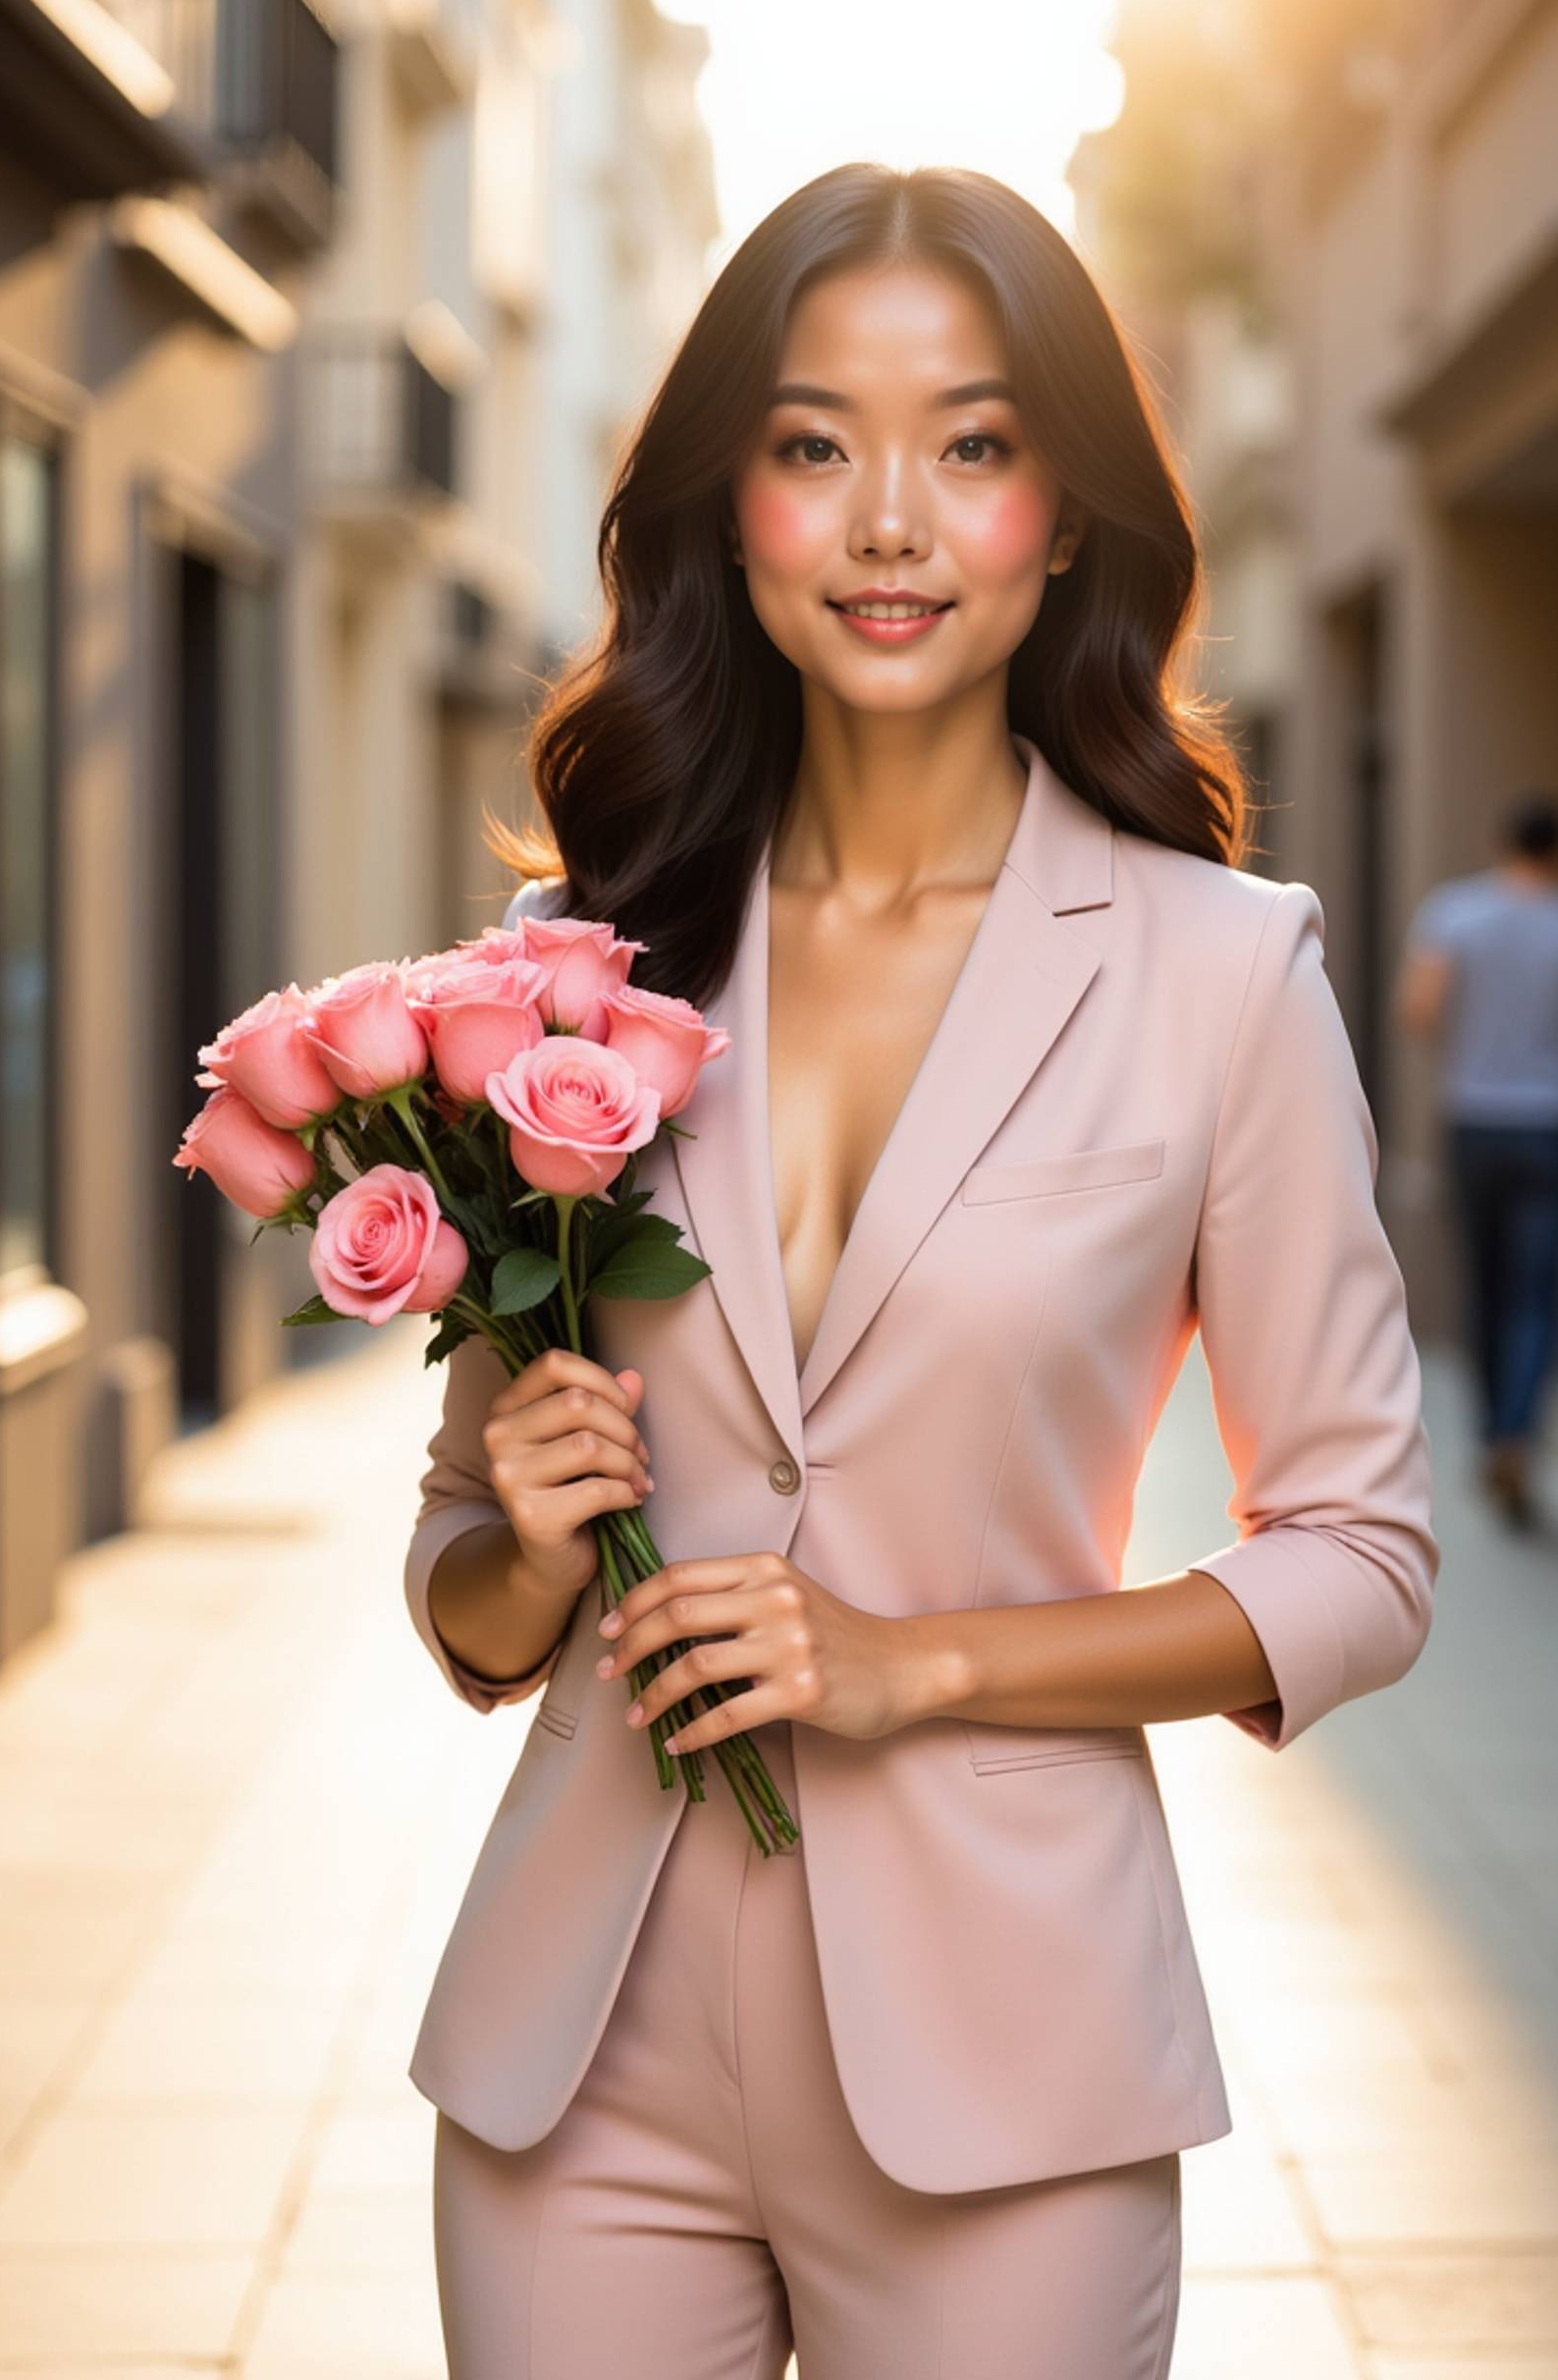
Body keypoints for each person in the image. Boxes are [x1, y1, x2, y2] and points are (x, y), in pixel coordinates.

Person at [405, 163, 1438, 2379]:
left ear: (1063, 514)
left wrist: (921, 1665)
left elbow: (1361, 1554)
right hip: (578, 2055)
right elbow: (466, 1582)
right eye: (811, 444)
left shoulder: (1219, 974)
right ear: (731, 504)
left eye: (969, 443)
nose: (888, 516)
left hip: (1008, 2070)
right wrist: (525, 1549)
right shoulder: (566, 971)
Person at [1396, 795, 1558, 1532]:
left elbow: (1420, 1009)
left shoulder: (1454, 913)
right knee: (1538, 1291)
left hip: (1474, 1119)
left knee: (1485, 1282)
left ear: (1502, 842)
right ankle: (1518, 1435)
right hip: (1549, 1124)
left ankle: (1495, 1432)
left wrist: (1476, 1051)